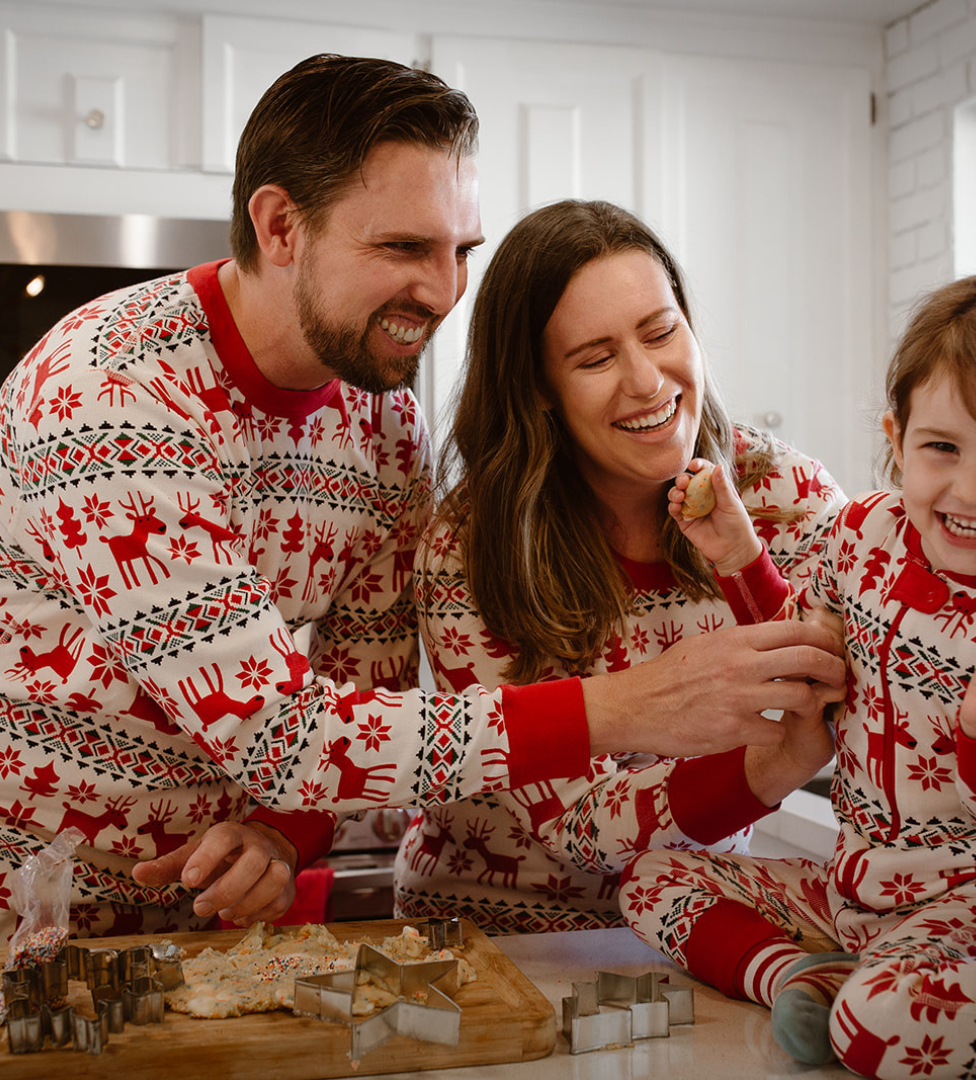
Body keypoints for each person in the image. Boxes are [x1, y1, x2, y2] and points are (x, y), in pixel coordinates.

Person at [0, 57, 846, 944]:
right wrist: (634, 705)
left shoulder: (380, 419)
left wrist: (280, 840)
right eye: (404, 248)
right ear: (281, 225)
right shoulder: (110, 394)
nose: (445, 293)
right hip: (28, 906)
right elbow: (285, 734)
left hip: (201, 915)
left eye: (461, 251)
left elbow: (367, 684)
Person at [620, 273, 976, 1079]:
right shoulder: (865, 531)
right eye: (943, 447)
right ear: (896, 439)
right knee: (650, 875)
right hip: (850, 889)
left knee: (885, 1026)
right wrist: (737, 555)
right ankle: (802, 977)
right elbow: (806, 661)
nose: (972, 489)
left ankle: (872, 998)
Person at [394, 198, 848, 934]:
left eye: (662, 332)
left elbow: (861, 681)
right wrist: (776, 764)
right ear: (537, 387)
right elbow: (579, 828)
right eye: (596, 358)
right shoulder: (471, 549)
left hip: (698, 924)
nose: (646, 381)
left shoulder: (784, 499)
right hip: (493, 936)